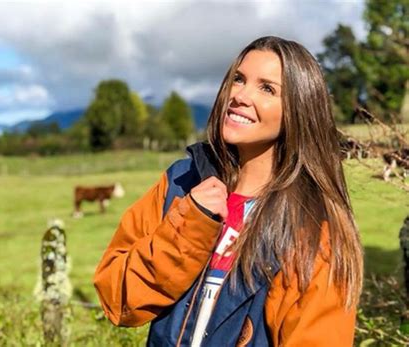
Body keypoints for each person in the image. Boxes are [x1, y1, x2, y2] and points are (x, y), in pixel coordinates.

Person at [93, 36, 363, 346]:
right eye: (238, 79)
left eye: (267, 88)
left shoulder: (312, 227)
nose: (240, 95)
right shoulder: (180, 184)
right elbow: (117, 299)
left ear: (298, 111)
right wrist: (191, 225)